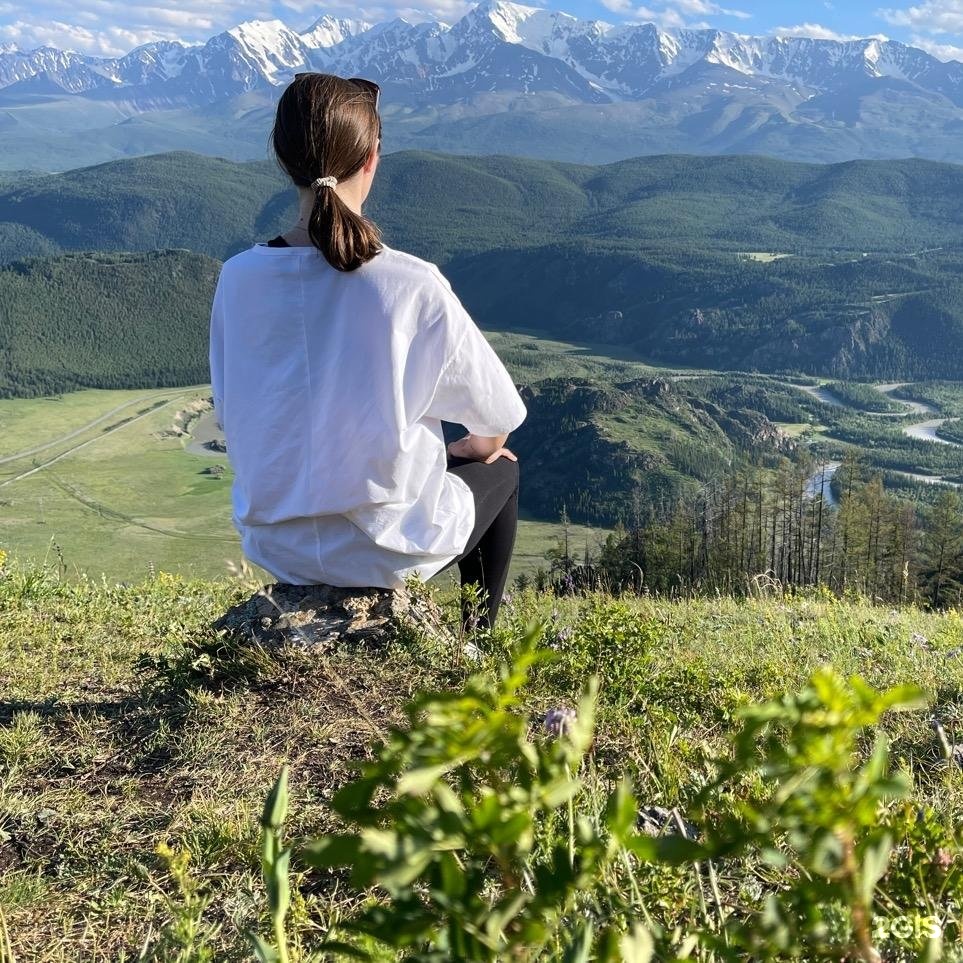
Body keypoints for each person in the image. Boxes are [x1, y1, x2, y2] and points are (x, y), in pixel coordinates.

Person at [208, 72, 527, 630]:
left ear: (284, 162)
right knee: (502, 468)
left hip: (277, 544)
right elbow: (498, 419)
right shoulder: (410, 283)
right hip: (388, 549)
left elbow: (231, 407)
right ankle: (477, 642)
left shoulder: (238, 280)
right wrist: (460, 453)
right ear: (372, 159)